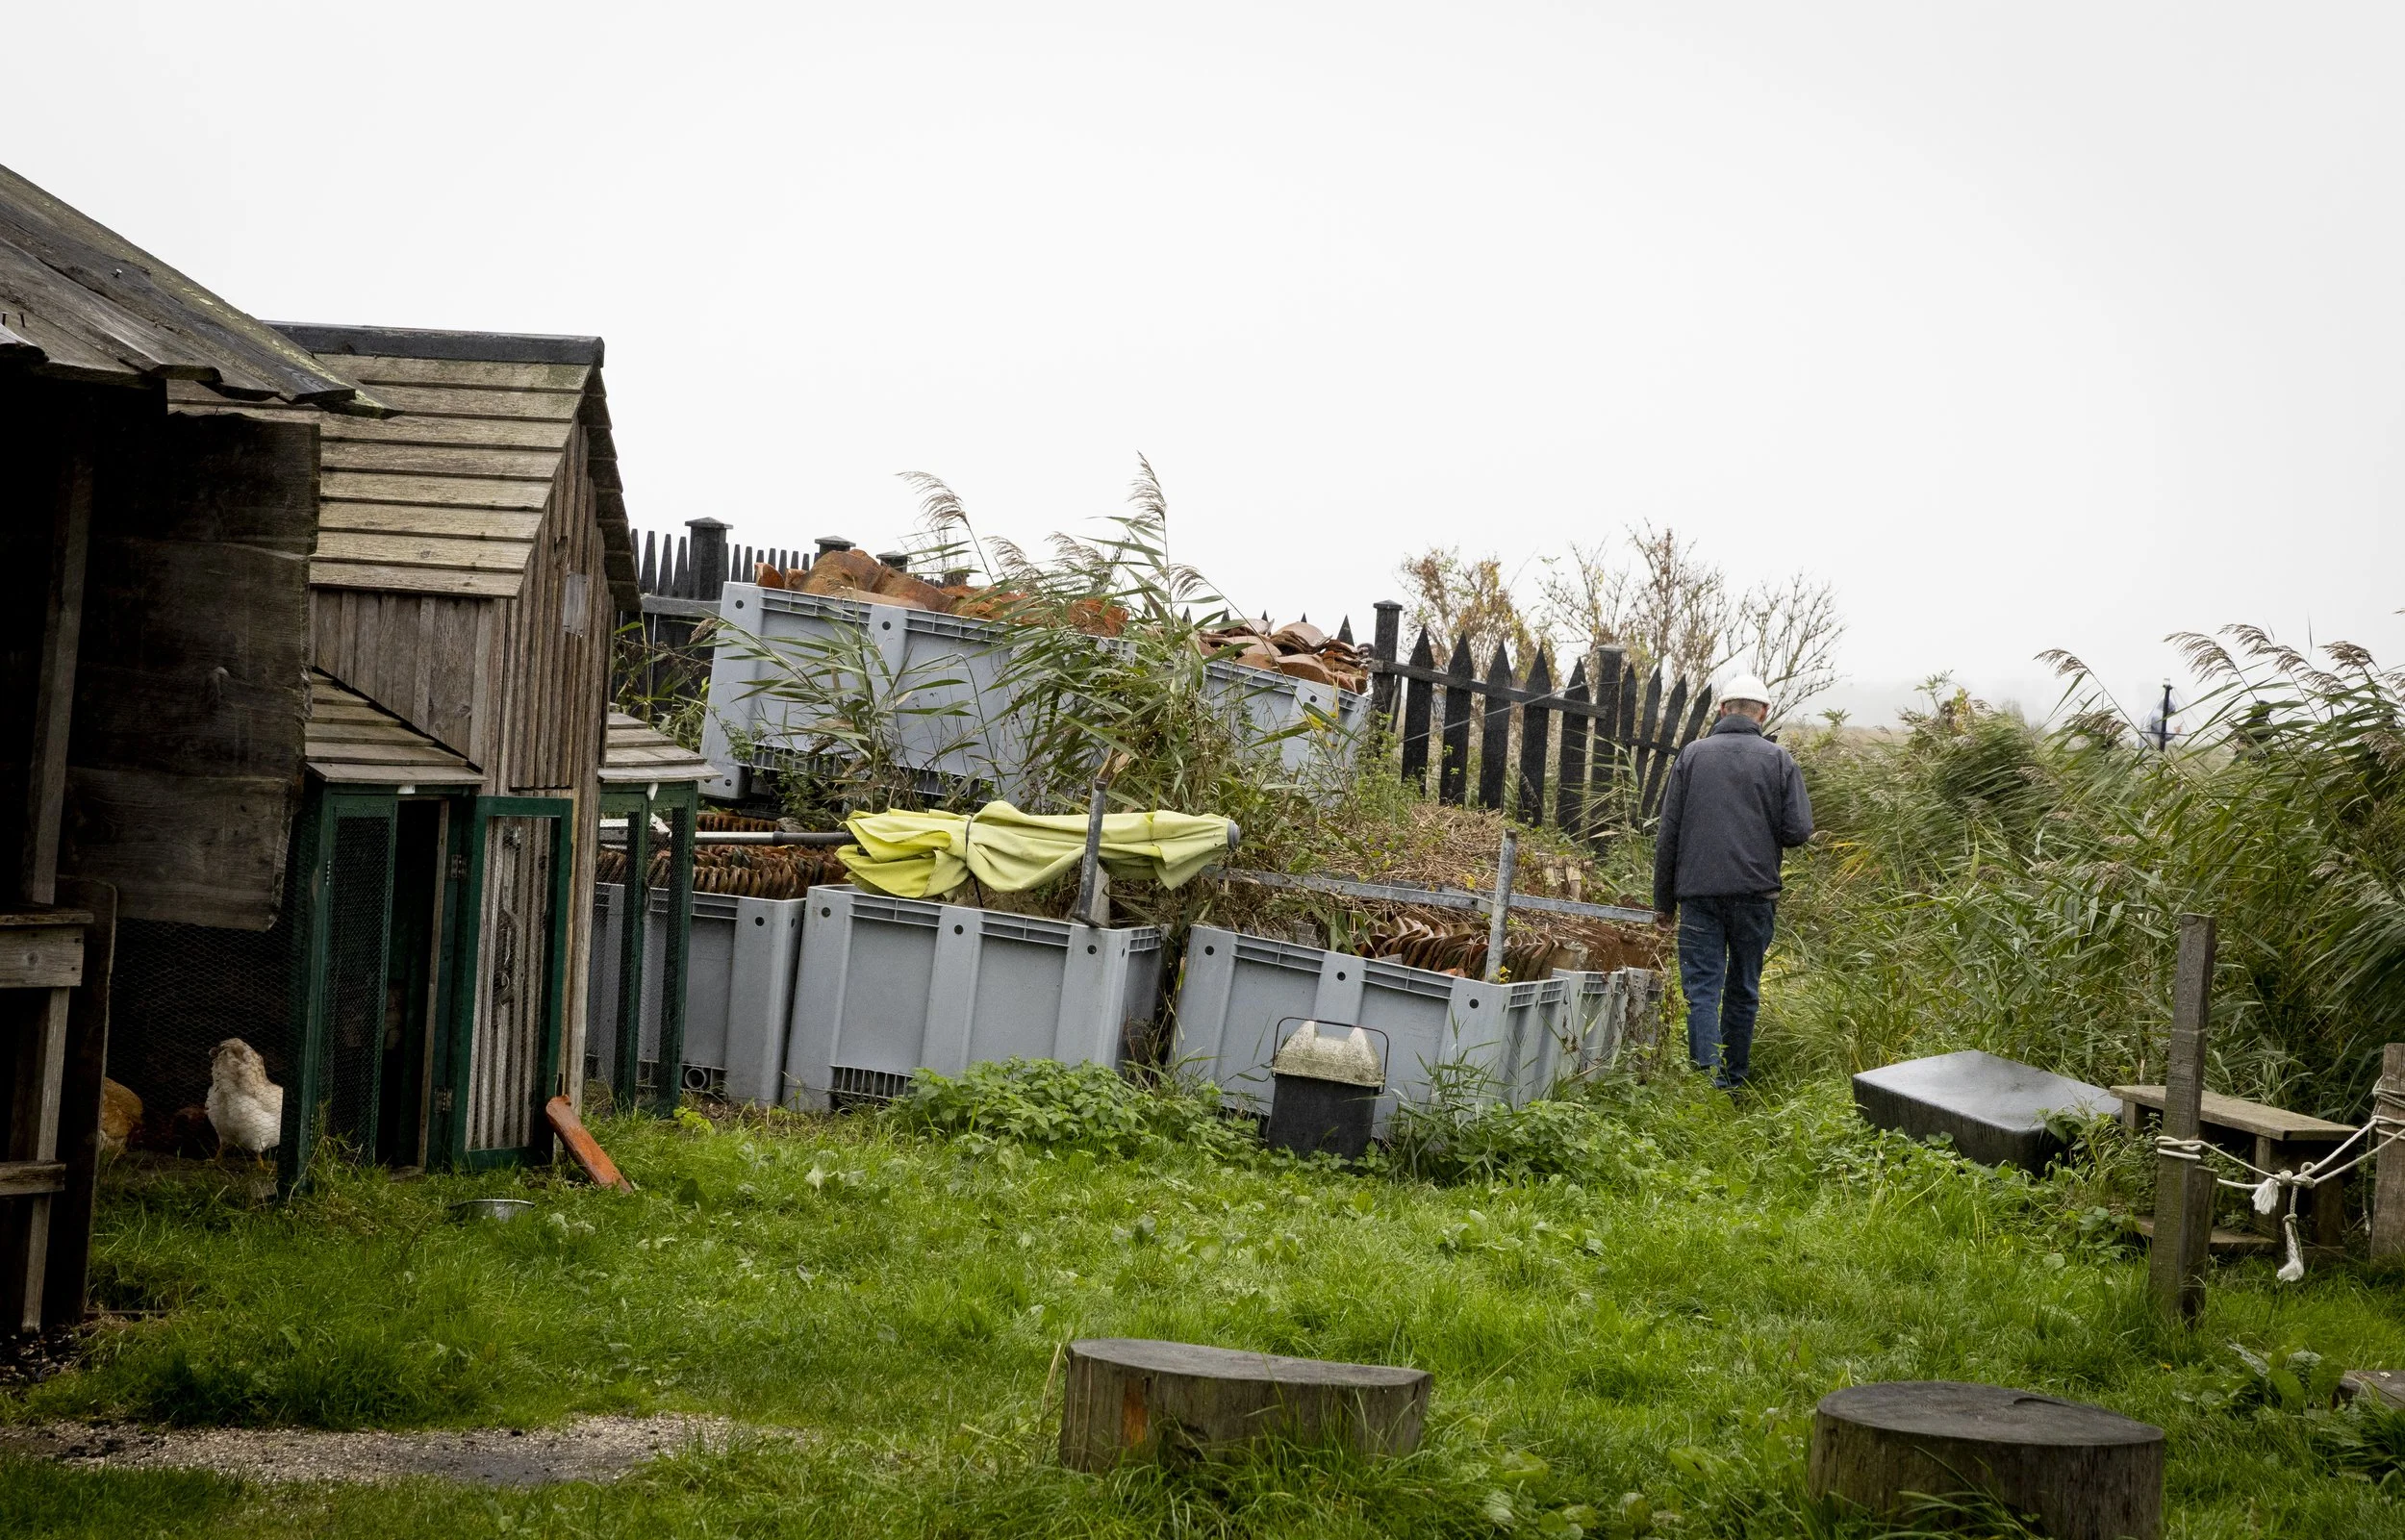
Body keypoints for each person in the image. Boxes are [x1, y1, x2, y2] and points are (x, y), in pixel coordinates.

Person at [1651, 672, 1812, 1091]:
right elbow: (1798, 832)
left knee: (1702, 990)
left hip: (1698, 896)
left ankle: (1705, 1083)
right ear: (1763, 713)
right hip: (1756, 895)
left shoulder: (1692, 756)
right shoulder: (1779, 760)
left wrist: (1663, 904)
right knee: (1743, 990)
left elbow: (1668, 835)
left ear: (1722, 709)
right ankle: (1732, 1082)